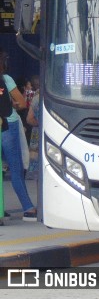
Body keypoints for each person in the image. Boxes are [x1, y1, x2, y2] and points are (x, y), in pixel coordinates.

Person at [0, 49, 36, 221]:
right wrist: (11, 104)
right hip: (9, 123)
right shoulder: (6, 79)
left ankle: (1, 208)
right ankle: (28, 208)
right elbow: (21, 103)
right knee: (15, 168)